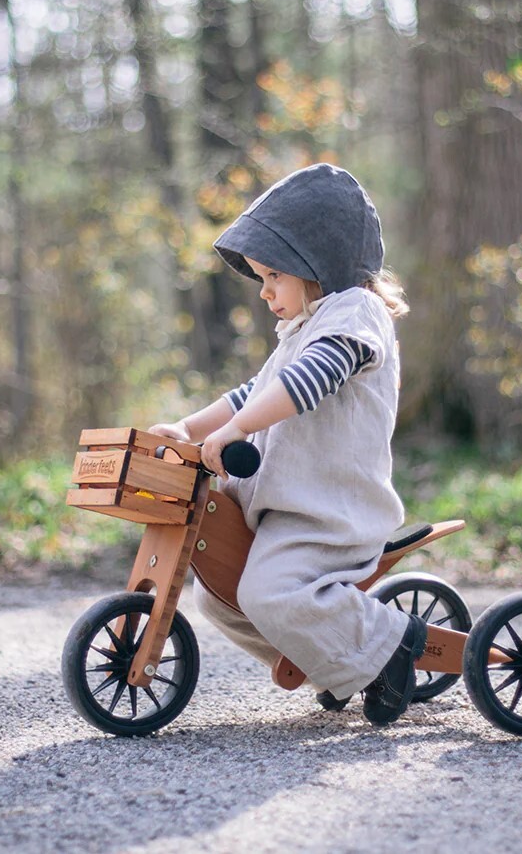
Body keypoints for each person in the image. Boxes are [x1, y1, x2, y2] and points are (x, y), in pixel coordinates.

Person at [149, 163, 426, 726]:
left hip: (330, 511)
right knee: (218, 594)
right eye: (261, 279)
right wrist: (191, 429)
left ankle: (390, 645)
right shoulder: (306, 325)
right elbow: (255, 392)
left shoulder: (355, 317)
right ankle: (334, 663)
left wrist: (239, 430)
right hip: (286, 509)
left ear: (317, 264)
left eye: (274, 275)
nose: (266, 292)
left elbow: (306, 383)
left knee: (270, 592)